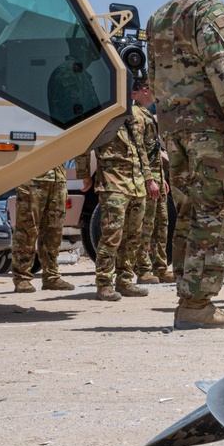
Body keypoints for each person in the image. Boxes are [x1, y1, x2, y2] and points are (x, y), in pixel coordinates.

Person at [146, 0, 224, 329]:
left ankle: (187, 295)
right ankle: (197, 306)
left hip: (175, 129)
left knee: (189, 214)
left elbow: (153, 78)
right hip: (208, 128)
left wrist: (167, 126)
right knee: (218, 211)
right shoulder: (211, 10)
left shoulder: (160, 15)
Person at [75, 103, 160, 301]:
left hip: (137, 182)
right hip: (113, 181)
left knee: (133, 236)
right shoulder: (101, 114)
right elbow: (84, 146)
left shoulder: (136, 115)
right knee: (112, 235)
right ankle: (104, 283)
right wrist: (84, 175)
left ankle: (125, 280)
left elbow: (142, 150)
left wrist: (149, 178)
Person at [131, 79, 176, 285]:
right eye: (150, 90)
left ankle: (161, 266)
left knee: (162, 224)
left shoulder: (148, 114)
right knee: (147, 225)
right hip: (148, 179)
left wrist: (162, 178)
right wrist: (149, 179)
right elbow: (140, 150)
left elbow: (154, 149)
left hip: (158, 177)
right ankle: (143, 269)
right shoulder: (137, 116)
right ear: (143, 91)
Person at [10, 164, 75, 293]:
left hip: (58, 179)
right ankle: (22, 278)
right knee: (27, 230)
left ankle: (51, 276)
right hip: (33, 178)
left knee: (54, 231)